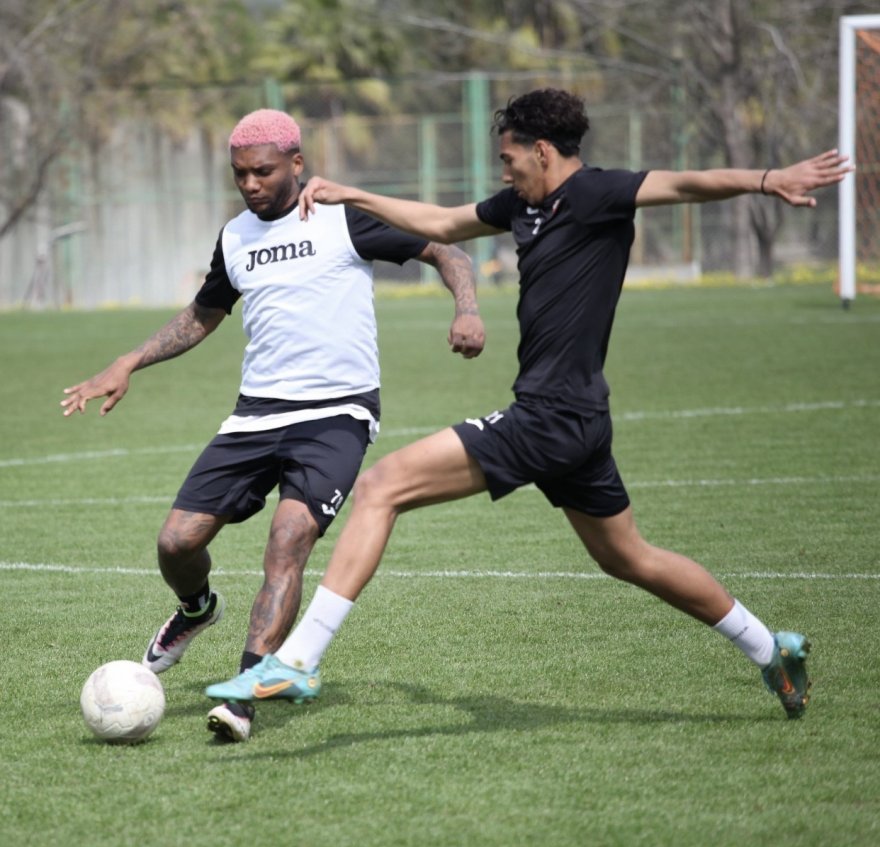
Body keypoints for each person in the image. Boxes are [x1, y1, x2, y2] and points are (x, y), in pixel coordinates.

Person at [206, 88, 852, 722]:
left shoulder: (596, 195)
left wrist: (771, 179)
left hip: (549, 415)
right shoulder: (522, 204)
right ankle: (773, 649)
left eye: (510, 159)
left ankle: (300, 658)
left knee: (381, 487)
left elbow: (687, 184)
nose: (504, 171)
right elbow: (443, 224)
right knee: (629, 556)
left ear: (543, 151)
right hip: (579, 419)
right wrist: (354, 194)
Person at [61, 108, 485, 742]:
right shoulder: (235, 238)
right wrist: (131, 361)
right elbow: (204, 313)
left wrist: (468, 310)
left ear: (295, 163)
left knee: (287, 541)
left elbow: (443, 250)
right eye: (240, 175)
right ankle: (197, 609)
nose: (251, 184)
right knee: (176, 543)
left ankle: (244, 696)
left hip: (337, 413)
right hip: (256, 414)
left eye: (262, 172)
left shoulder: (344, 217)